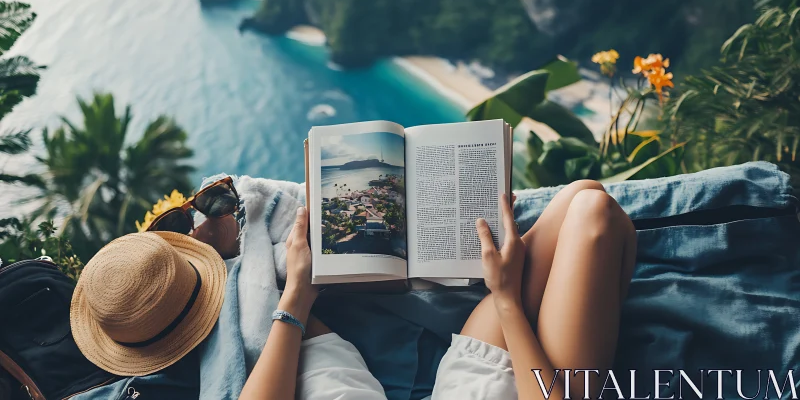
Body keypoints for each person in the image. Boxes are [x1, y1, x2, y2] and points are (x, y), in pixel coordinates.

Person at [239, 180, 637, 400]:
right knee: (594, 210)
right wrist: (507, 301)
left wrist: (298, 292)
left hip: (464, 388)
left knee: (582, 195)